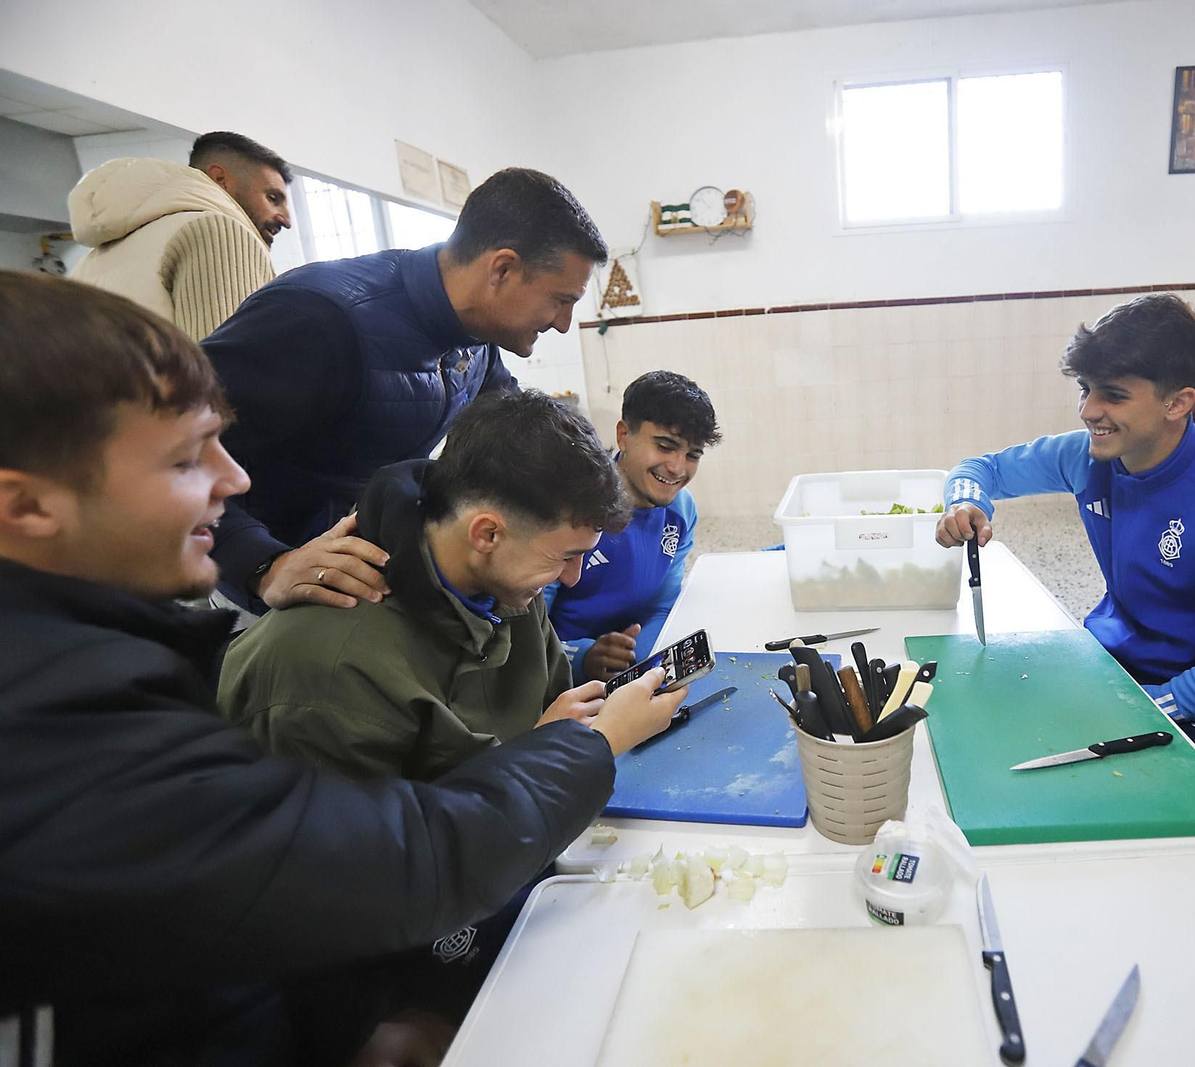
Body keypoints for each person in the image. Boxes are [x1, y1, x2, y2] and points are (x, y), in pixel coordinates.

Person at [0, 272, 683, 1065]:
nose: (237, 480)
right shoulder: (63, 742)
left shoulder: (115, 666)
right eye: (188, 458)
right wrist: (365, 1020)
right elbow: (376, 870)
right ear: (27, 507)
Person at [202, 166, 606, 621]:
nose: (563, 323)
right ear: (503, 269)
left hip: (362, 585)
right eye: (561, 299)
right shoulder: (320, 319)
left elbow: (523, 436)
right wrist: (264, 565)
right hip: (272, 596)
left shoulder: (476, 339)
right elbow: (168, 451)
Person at [936, 293, 1195, 783]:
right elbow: (981, 468)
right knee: (976, 730)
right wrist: (966, 500)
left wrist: (1136, 706)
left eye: (1113, 395)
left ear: (1178, 402)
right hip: (1106, 667)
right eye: (1085, 390)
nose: (1088, 410)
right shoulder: (1087, 457)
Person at [218, 389, 635, 780]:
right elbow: (381, 849)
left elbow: (555, 712)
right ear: (486, 534)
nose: (573, 577)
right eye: (564, 557)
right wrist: (542, 755)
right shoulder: (333, 669)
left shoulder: (510, 584)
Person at [545, 371, 721, 681]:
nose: (678, 468)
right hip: (553, 678)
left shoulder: (682, 509)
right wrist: (581, 658)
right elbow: (520, 631)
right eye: (665, 446)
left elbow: (662, 607)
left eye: (692, 454)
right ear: (624, 435)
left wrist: (637, 669)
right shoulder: (571, 506)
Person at [69, 131, 292, 340]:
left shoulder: (95, 257)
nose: (286, 220)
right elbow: (230, 370)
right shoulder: (220, 232)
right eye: (272, 198)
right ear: (219, 179)